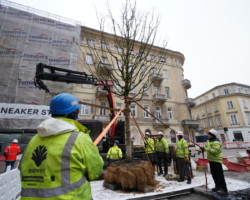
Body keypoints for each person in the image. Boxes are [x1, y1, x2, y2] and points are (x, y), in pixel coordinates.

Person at [19, 93, 104, 200]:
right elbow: (95, 172)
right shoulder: (80, 139)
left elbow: (22, 168)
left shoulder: (34, 139)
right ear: (73, 113)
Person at [200, 129, 228, 195]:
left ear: (213, 135)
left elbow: (214, 151)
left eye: (209, 134)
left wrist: (205, 149)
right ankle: (217, 186)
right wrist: (202, 149)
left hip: (217, 161)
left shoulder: (216, 143)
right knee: (214, 174)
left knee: (220, 175)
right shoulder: (208, 141)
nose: (208, 135)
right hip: (211, 161)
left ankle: (224, 189)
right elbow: (206, 147)